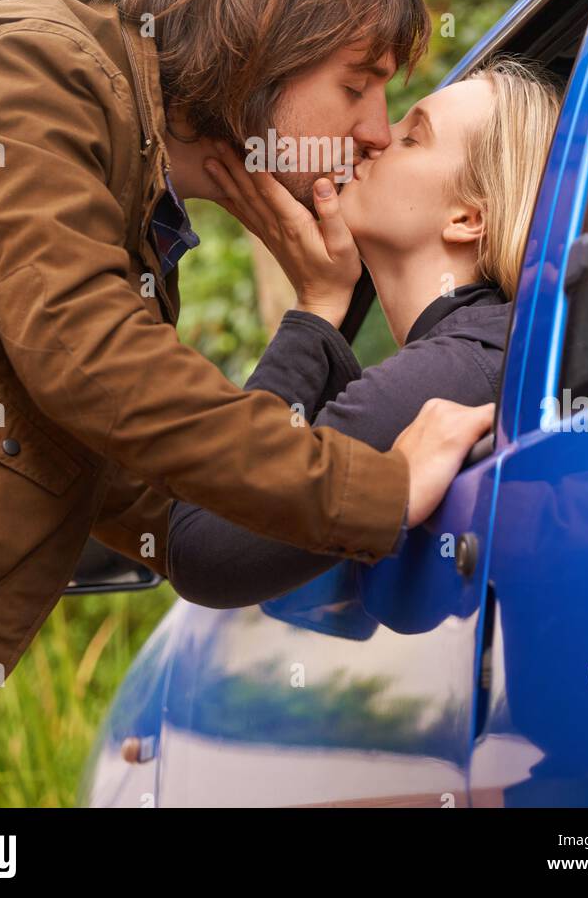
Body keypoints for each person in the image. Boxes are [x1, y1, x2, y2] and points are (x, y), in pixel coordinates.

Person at [0, 0, 492, 804]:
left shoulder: (124, 208)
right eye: (358, 84)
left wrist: (317, 322)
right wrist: (377, 489)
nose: (374, 129)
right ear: (261, 53)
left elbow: (164, 508)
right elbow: (89, 359)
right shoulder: (41, 67)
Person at [167, 57, 562, 607]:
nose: (377, 138)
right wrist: (323, 301)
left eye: (413, 137)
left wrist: (311, 315)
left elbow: (201, 546)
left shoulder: (459, 368)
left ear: (469, 218)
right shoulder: (488, 348)